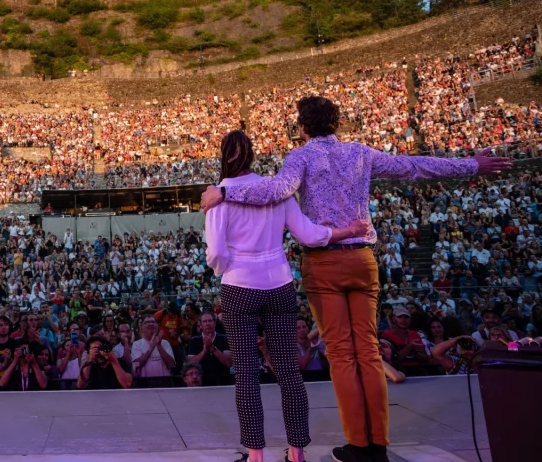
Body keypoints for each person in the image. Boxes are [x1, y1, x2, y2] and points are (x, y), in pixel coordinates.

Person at [201, 98, 510, 462]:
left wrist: (224, 192)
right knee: (368, 350)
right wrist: (471, 164)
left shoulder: (299, 159)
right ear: (337, 123)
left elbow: (274, 192)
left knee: (341, 356)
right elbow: (412, 166)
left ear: (302, 127)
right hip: (362, 260)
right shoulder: (361, 153)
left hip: (322, 264)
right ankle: (376, 444)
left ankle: (355, 446)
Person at [205, 130, 370, 462]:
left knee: (248, 374)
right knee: (288, 372)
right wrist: (348, 232)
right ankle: (296, 452)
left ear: (222, 156)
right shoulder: (276, 191)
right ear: (252, 155)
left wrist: (225, 270)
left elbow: (217, 252)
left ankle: (255, 454)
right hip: (279, 283)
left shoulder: (218, 196)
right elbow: (309, 235)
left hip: (240, 286)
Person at [186, 310, 232, 386]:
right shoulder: (194, 340)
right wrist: (204, 351)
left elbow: (228, 363)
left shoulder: (224, 339)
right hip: (202, 383)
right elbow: (190, 365)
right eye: (204, 321)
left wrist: (212, 348)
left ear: (215, 323)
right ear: (200, 325)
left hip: (222, 382)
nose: (207, 323)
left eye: (210, 321)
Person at [131, 315, 176, 380]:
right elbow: (136, 365)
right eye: (147, 322)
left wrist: (159, 346)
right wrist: (150, 349)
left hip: (164, 383)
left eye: (153, 322)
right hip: (145, 384)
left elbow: (171, 365)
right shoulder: (137, 344)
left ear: (157, 326)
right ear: (142, 328)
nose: (151, 324)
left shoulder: (165, 343)